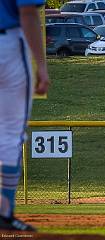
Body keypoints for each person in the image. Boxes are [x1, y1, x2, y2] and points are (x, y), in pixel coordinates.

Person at [0, 0, 49, 231]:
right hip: (7, 44)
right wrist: (42, 66)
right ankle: (4, 213)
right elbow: (28, 13)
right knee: (9, 135)